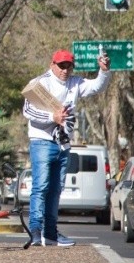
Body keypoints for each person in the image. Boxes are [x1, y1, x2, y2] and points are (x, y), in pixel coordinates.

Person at [22, 49, 110, 247]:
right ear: (52, 64)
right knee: (41, 187)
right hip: (42, 141)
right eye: (61, 65)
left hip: (63, 143)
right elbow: (27, 110)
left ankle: (51, 234)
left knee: (55, 190)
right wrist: (51, 118)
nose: (65, 70)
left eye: (68, 65)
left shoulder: (75, 82)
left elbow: (96, 87)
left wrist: (104, 71)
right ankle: (35, 231)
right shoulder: (41, 82)